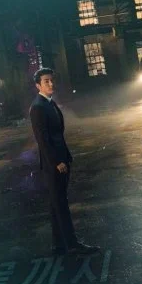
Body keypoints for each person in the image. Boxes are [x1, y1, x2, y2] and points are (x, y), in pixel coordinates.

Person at [29, 67, 100, 256]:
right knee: (60, 204)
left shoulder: (49, 103)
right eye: (46, 81)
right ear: (38, 86)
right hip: (54, 164)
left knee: (56, 203)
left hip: (61, 158)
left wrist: (65, 157)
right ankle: (72, 244)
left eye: (51, 80)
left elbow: (58, 134)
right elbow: (42, 139)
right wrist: (56, 161)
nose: (51, 83)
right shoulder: (38, 107)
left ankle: (58, 244)